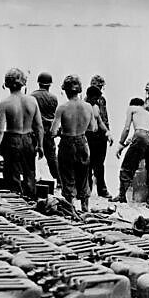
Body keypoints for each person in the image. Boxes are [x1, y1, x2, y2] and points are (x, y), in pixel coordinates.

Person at [0, 68, 44, 200]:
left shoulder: (5, 103)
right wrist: (40, 145)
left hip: (11, 139)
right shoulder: (32, 101)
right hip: (28, 139)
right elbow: (39, 126)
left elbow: (0, 129)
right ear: (23, 83)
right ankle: (31, 200)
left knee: (12, 174)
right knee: (30, 173)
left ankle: (16, 201)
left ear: (7, 84)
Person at [51, 75, 96, 212]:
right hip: (82, 141)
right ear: (80, 90)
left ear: (65, 90)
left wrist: (60, 131)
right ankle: (84, 207)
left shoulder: (62, 108)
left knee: (67, 176)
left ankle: (70, 208)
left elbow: (53, 131)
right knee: (83, 175)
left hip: (67, 142)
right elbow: (93, 128)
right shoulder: (88, 107)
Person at [112, 98, 149, 206]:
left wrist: (120, 143)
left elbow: (127, 128)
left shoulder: (132, 108)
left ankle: (122, 196)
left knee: (126, 168)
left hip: (140, 136)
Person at [85, 75, 114, 198]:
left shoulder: (102, 100)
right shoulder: (86, 101)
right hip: (90, 136)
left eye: (101, 87)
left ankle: (102, 189)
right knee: (88, 163)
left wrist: (108, 132)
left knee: (100, 164)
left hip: (101, 136)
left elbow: (103, 118)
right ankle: (88, 188)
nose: (100, 89)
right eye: (98, 86)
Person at [31, 72, 61, 187]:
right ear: (49, 85)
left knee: (31, 156)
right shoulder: (53, 98)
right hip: (48, 131)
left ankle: (32, 179)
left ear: (39, 83)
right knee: (52, 158)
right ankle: (59, 180)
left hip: (34, 131)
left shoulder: (32, 96)